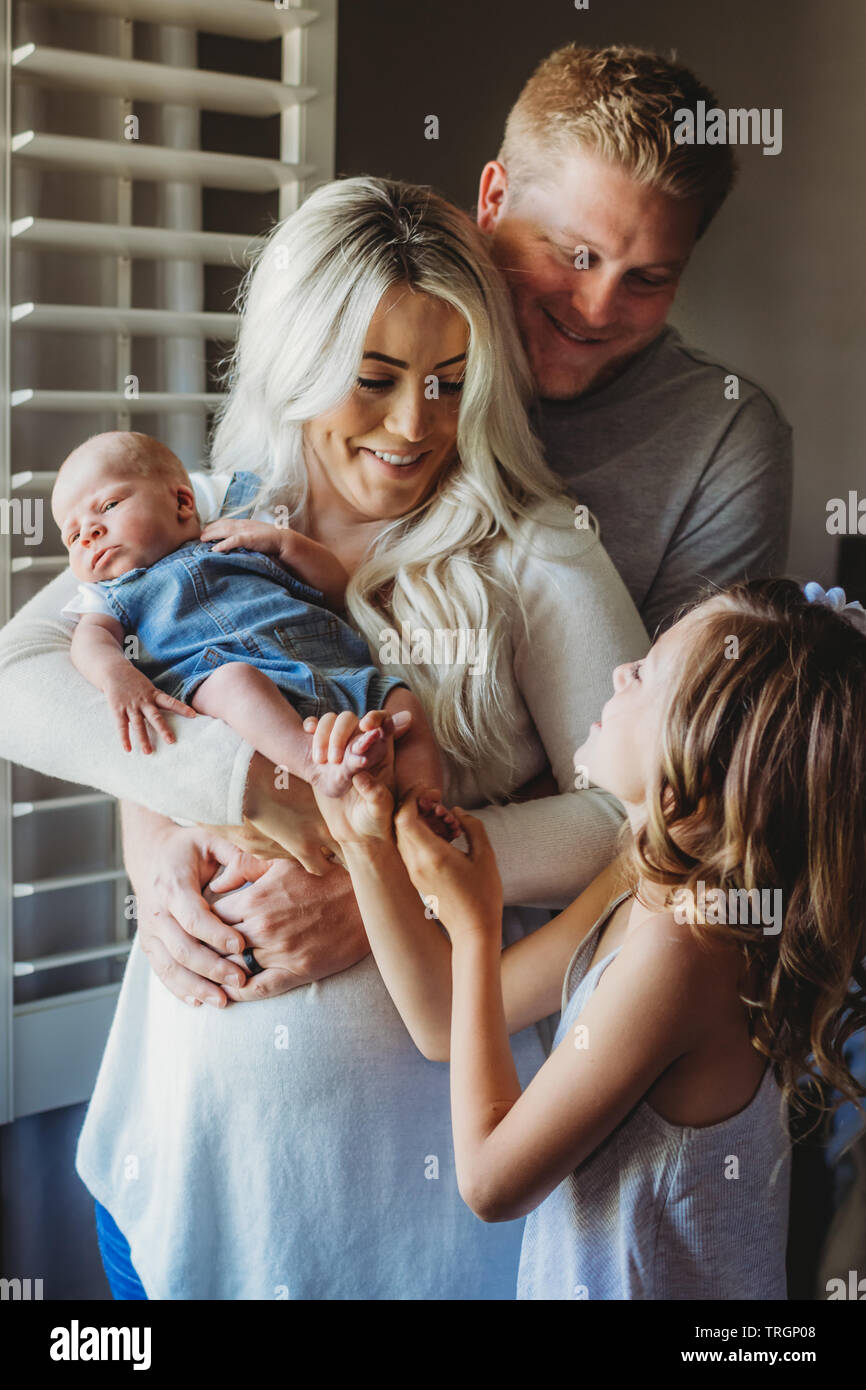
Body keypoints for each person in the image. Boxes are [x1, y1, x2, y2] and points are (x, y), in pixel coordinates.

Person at [0, 177, 648, 1298]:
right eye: (376, 380)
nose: (414, 427)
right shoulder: (186, 514)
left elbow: (634, 817)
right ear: (298, 360)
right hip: (175, 1164)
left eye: (449, 384)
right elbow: (23, 679)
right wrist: (171, 825)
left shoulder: (536, 551)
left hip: (408, 1220)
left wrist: (379, 870)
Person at [310, 578, 866, 1299]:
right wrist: (362, 838)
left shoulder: (688, 946)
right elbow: (444, 1021)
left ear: (709, 756)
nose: (619, 671)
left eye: (649, 673)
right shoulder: (642, 882)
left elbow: (491, 1183)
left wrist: (475, 925)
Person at [476, 43, 793, 635]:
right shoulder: (381, 348)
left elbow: (682, 717)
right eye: (575, 255)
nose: (597, 310)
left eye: (647, 279)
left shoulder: (725, 435)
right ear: (494, 201)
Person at [53, 431, 454, 853]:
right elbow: (90, 640)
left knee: (401, 704)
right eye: (72, 535)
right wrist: (119, 677)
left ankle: (420, 806)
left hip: (337, 672)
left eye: (109, 506)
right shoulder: (107, 594)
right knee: (233, 682)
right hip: (239, 688)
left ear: (183, 503)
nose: (89, 533)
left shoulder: (239, 534)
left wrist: (285, 544)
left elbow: (337, 591)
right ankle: (316, 769)